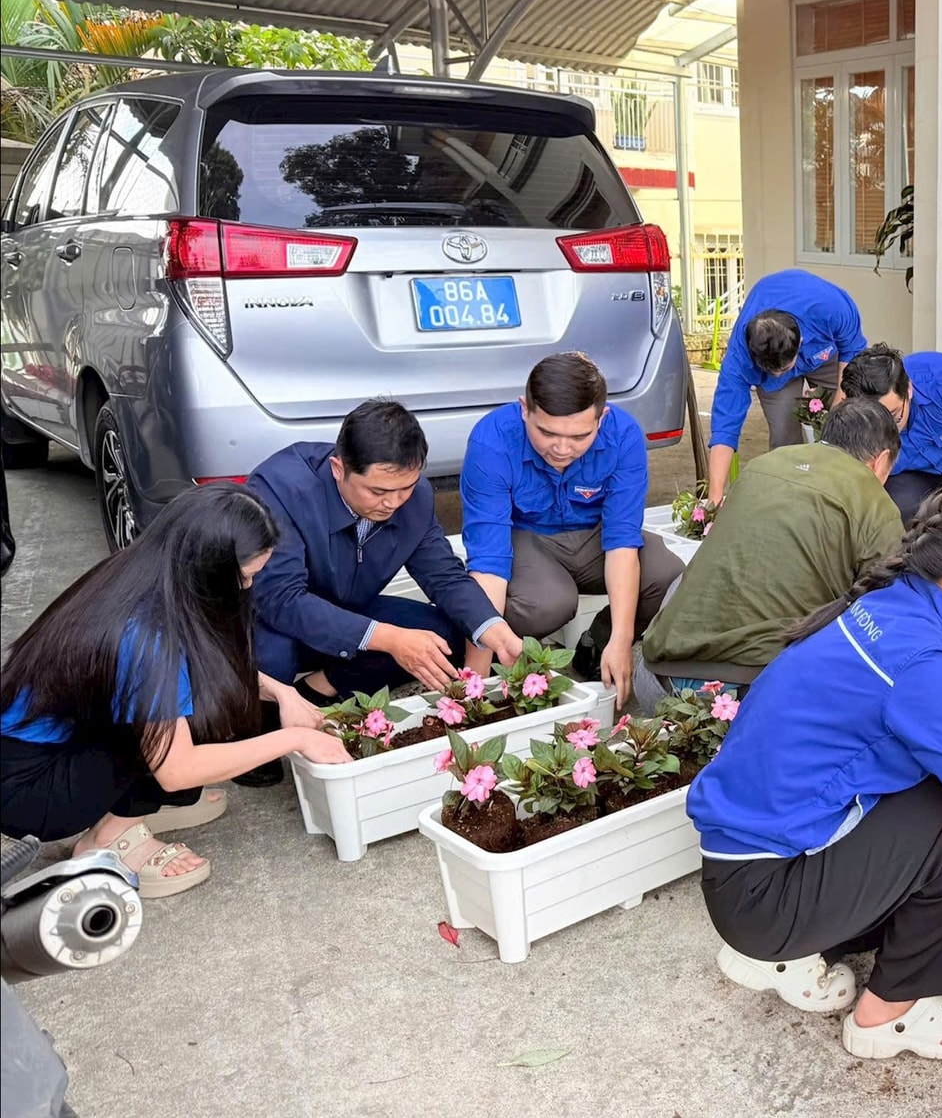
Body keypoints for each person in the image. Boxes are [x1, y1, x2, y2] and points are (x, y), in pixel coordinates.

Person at [688, 478, 942, 1060]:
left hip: (744, 873)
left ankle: (792, 954)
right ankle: (894, 1012)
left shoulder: (889, 607)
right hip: (767, 899)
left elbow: (915, 699)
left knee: (938, 787)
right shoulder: (916, 659)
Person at [0, 484, 352, 897]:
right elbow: (177, 769)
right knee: (203, 714)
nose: (248, 587)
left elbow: (206, 667)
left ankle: (127, 808)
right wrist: (296, 739)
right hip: (30, 789)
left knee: (202, 692)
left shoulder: (137, 577)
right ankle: (110, 837)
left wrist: (283, 693)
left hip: (36, 752)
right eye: (246, 576)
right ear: (208, 569)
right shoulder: (147, 637)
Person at [240, 400, 525, 785]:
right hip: (269, 618)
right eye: (378, 491)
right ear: (338, 468)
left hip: (346, 611)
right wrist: (390, 639)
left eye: (406, 487)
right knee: (270, 654)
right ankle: (257, 735)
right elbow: (281, 599)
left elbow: (444, 575)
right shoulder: (280, 489)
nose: (393, 502)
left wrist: (493, 628)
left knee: (443, 637)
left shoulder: (414, 499)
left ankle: (321, 688)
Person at [461, 353, 682, 707]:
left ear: (601, 418)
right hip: (528, 541)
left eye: (580, 436)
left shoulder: (624, 436)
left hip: (595, 537)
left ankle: (598, 645)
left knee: (666, 575)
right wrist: (472, 687)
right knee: (547, 603)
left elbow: (622, 542)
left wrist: (622, 640)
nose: (562, 449)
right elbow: (489, 562)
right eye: (546, 432)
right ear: (525, 410)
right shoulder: (492, 441)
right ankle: (510, 652)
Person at [641, 397, 904, 688]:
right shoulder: (873, 499)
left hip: (656, 677)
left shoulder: (763, 464)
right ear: (881, 460)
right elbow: (890, 612)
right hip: (752, 691)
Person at [706, 269, 867, 502]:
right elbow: (725, 428)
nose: (779, 373)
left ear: (799, 342)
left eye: (783, 369)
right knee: (784, 437)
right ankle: (791, 502)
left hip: (824, 352)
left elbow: (852, 350)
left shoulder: (832, 308)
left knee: (850, 417)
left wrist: (839, 409)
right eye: (772, 370)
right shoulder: (738, 361)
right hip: (778, 376)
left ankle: (848, 494)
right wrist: (714, 497)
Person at [838, 343, 942, 519]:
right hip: (911, 477)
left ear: (908, 389)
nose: (887, 427)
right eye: (876, 421)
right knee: (893, 512)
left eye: (894, 415)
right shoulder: (854, 423)